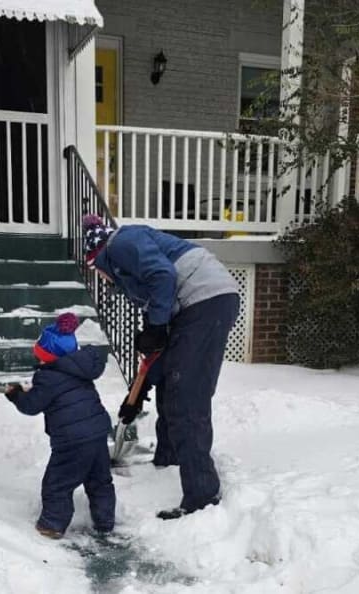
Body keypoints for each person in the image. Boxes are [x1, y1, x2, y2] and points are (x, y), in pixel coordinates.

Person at [83, 214, 240, 520]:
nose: (101, 279)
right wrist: (139, 391)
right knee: (171, 382)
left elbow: (163, 277)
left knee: (187, 394)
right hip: (192, 306)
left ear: (99, 257)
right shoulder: (127, 263)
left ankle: (202, 496)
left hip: (205, 300)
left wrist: (155, 328)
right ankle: (168, 461)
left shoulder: (122, 242)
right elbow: (156, 340)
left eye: (96, 271)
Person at [5, 312, 115, 539]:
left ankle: (52, 525)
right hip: (97, 434)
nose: (41, 362)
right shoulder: (80, 370)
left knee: (57, 484)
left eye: (42, 358)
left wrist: (16, 395)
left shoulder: (48, 377)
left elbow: (32, 406)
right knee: (100, 481)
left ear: (51, 357)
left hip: (72, 441)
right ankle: (105, 522)